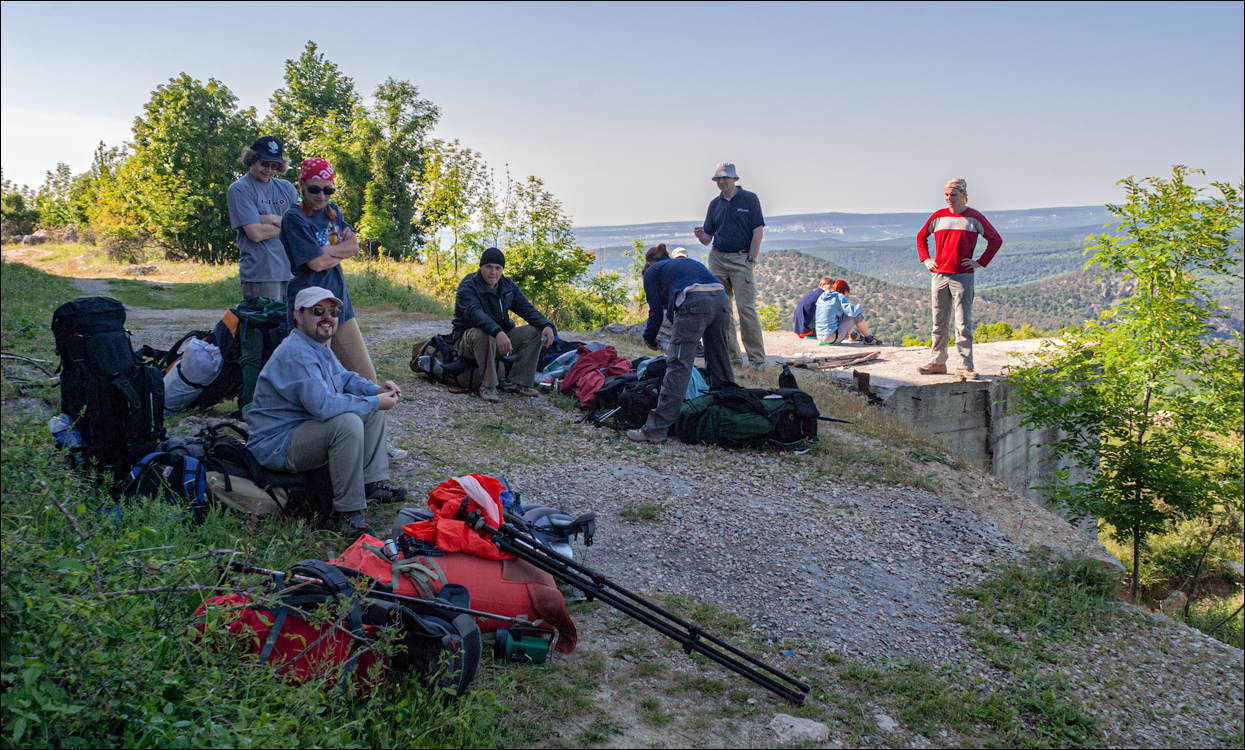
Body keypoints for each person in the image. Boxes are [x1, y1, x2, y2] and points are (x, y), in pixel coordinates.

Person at [247, 286, 407, 536]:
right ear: (298, 315)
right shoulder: (296, 352)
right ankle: (347, 513)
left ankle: (370, 484)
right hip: (277, 444)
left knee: (371, 408)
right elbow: (323, 406)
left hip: (301, 429)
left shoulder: (315, 345)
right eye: (318, 311)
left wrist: (376, 390)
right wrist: (375, 401)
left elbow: (345, 378)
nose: (327, 317)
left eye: (332, 312)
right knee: (348, 423)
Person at [627, 245, 736, 444]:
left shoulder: (651, 271)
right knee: (720, 362)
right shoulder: (681, 264)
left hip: (695, 301)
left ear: (648, 263)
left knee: (678, 366)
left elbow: (655, 313)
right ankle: (729, 419)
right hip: (721, 300)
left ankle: (656, 429)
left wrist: (649, 338)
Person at [915, 179, 1003, 378]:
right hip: (939, 275)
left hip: (962, 276)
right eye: (946, 195)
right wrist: (926, 259)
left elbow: (995, 240)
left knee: (963, 323)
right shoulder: (938, 216)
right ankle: (937, 362)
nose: (949, 199)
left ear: (964, 195)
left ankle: (965, 365)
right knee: (939, 322)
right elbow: (921, 237)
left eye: (953, 195)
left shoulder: (974, 217)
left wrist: (980, 262)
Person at [450, 247, 556, 403]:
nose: (493, 272)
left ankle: (518, 382)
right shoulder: (468, 285)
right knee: (484, 333)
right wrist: (498, 332)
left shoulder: (507, 285)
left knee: (535, 331)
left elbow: (526, 309)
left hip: (497, 338)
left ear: (502, 270)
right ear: (481, 267)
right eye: (489, 267)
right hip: (468, 341)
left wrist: (546, 325)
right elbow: (476, 314)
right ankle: (488, 386)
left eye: (498, 268)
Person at [693, 162, 767, 371]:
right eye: (718, 178)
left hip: (741, 258)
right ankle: (733, 358)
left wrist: (751, 259)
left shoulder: (749, 199)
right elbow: (708, 239)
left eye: (725, 177)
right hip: (718, 257)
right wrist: (701, 236)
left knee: (746, 308)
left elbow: (757, 232)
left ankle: (757, 360)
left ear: (735, 179)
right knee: (722, 309)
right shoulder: (714, 204)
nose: (722, 181)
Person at [228, 136, 299, 301]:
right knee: (265, 318)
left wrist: (269, 218)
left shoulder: (287, 188)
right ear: (252, 159)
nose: (269, 170)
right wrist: (286, 224)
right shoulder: (240, 189)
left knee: (294, 318)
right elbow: (255, 234)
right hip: (261, 274)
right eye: (264, 164)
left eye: (274, 166)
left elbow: (300, 225)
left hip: (292, 272)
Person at [815, 279, 880, 345]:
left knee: (845, 314)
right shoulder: (839, 297)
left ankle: (853, 335)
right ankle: (869, 338)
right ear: (845, 291)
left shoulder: (822, 297)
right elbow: (853, 313)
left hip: (819, 335)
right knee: (857, 314)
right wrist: (859, 306)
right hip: (831, 337)